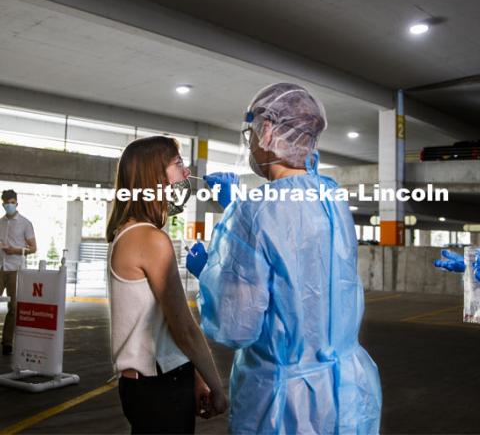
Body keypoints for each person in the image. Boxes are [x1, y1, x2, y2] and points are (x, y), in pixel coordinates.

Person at [187, 83, 382, 434]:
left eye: (251, 133)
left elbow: (237, 328)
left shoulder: (252, 213)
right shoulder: (332, 197)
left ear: (267, 131)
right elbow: (296, 247)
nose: (250, 144)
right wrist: (236, 213)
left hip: (283, 402)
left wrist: (212, 275)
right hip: (346, 393)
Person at [106, 136, 227, 434]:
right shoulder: (150, 239)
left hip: (152, 380)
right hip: (159, 386)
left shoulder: (128, 232)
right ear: (154, 177)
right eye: (178, 164)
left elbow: (163, 329)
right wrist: (217, 386)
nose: (187, 173)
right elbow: (183, 326)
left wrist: (194, 377)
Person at [0, 189, 36, 356]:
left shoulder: (25, 223)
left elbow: (33, 248)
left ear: (17, 203)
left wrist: (14, 250)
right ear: (2, 203)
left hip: (16, 269)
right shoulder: (0, 223)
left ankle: (7, 343)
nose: (9, 205)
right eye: (6, 202)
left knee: (13, 307)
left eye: (12, 202)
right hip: (0, 267)